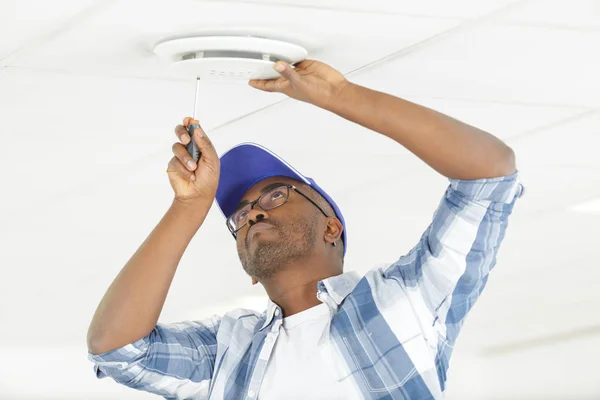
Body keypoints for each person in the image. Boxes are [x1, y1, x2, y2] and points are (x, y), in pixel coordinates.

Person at [87, 59, 524, 400]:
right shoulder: (227, 349)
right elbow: (118, 348)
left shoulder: (408, 299)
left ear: (331, 226)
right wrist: (188, 206)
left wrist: (341, 95)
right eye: (240, 216)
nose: (252, 214)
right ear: (249, 271)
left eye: (275, 195)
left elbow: (489, 175)